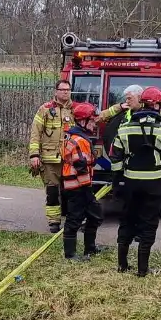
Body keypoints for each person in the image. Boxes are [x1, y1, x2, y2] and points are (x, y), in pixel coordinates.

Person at [108, 86, 161, 277]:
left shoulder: (125, 128)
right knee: (148, 224)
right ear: (156, 105)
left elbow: (115, 156)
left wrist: (118, 180)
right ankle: (142, 270)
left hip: (130, 184)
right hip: (154, 185)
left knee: (127, 221)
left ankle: (122, 265)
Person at [57, 102, 104, 261]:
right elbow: (81, 167)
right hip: (77, 187)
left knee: (95, 215)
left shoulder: (73, 136)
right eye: (91, 121)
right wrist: (87, 191)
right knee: (74, 219)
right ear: (83, 121)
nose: (94, 124)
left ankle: (90, 248)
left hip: (78, 185)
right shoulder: (80, 140)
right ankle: (70, 255)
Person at [28, 80, 76, 233]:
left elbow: (96, 118)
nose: (65, 92)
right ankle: (54, 222)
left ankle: (71, 219)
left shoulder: (75, 109)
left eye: (68, 89)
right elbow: (35, 133)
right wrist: (34, 155)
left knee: (70, 191)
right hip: (49, 160)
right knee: (52, 192)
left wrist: (119, 107)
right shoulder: (45, 109)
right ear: (56, 91)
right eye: (62, 89)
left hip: (69, 160)